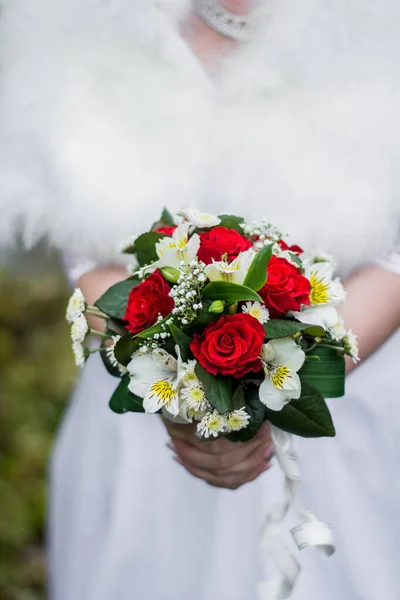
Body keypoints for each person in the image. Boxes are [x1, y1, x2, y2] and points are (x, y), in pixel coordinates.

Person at [0, 1, 399, 599]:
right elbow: (74, 227)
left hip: (353, 404)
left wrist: (287, 387)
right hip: (143, 417)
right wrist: (176, 393)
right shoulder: (63, 16)